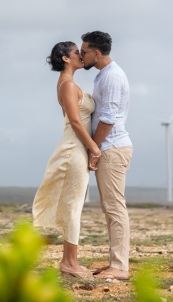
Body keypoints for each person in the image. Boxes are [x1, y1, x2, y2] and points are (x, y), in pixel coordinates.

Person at [33, 41, 103, 278]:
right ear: (65, 58)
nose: (81, 56)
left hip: (77, 147)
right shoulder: (67, 84)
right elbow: (74, 121)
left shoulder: (70, 83)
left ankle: (69, 261)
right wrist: (94, 147)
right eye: (76, 53)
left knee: (73, 205)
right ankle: (69, 263)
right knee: (73, 206)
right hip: (73, 148)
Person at [80, 30, 133, 280]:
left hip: (111, 147)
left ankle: (120, 267)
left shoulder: (111, 77)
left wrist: (94, 148)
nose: (81, 56)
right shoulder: (104, 76)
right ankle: (116, 263)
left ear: (96, 53)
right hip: (109, 147)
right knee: (110, 207)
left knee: (114, 208)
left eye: (84, 52)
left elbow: (108, 118)